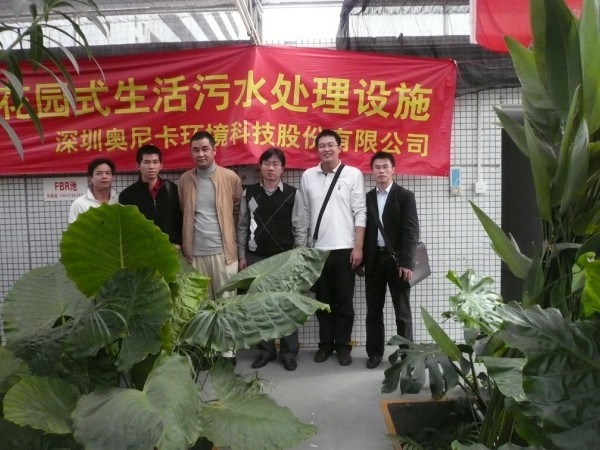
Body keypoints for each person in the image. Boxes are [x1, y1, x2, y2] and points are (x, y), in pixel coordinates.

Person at [300, 129, 366, 366]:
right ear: (317, 150)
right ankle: (325, 345)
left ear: (339, 148)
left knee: (345, 302)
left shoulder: (353, 174)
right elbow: (304, 213)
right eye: (322, 146)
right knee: (322, 301)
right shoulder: (308, 175)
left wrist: (358, 247)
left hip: (345, 249)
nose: (326, 149)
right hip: (318, 251)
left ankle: (343, 346)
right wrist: (304, 249)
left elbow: (360, 212)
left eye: (331, 145)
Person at [237, 147, 307, 371]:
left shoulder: (292, 194)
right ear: (260, 167)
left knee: (287, 306)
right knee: (261, 307)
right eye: (267, 163)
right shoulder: (249, 193)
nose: (271, 168)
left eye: (276, 164)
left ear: (282, 168)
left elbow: (300, 228)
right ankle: (266, 350)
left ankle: (289, 353)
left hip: (285, 258)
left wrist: (298, 258)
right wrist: (241, 256)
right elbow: (242, 226)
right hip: (256, 257)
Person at [363, 151, 419, 369]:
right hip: (374, 260)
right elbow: (364, 231)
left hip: (398, 263)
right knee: (373, 311)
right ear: (372, 171)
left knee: (402, 312)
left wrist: (407, 262)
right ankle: (374, 353)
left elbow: (411, 231)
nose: (381, 171)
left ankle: (407, 355)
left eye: (385, 166)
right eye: (377, 167)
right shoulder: (367, 198)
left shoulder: (405, 196)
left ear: (393, 169)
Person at [178, 130, 242, 297]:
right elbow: (182, 211)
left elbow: (237, 212)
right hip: (194, 255)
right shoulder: (184, 180)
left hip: (224, 255)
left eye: (205, 149)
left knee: (226, 305)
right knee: (200, 305)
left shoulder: (231, 178)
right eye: (196, 150)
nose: (201, 154)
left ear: (214, 150)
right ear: (191, 153)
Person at [119, 144, 182, 247]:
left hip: (171, 248)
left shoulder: (171, 189)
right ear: (138, 166)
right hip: (143, 251)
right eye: (146, 162)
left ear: (161, 165)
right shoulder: (127, 195)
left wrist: (178, 242)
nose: (151, 167)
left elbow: (180, 219)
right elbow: (126, 228)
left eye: (155, 162)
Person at [68, 158, 118, 223]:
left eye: (108, 173)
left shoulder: (119, 201)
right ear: (91, 178)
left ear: (112, 177)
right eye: (99, 173)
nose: (104, 176)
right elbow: (74, 229)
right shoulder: (80, 204)